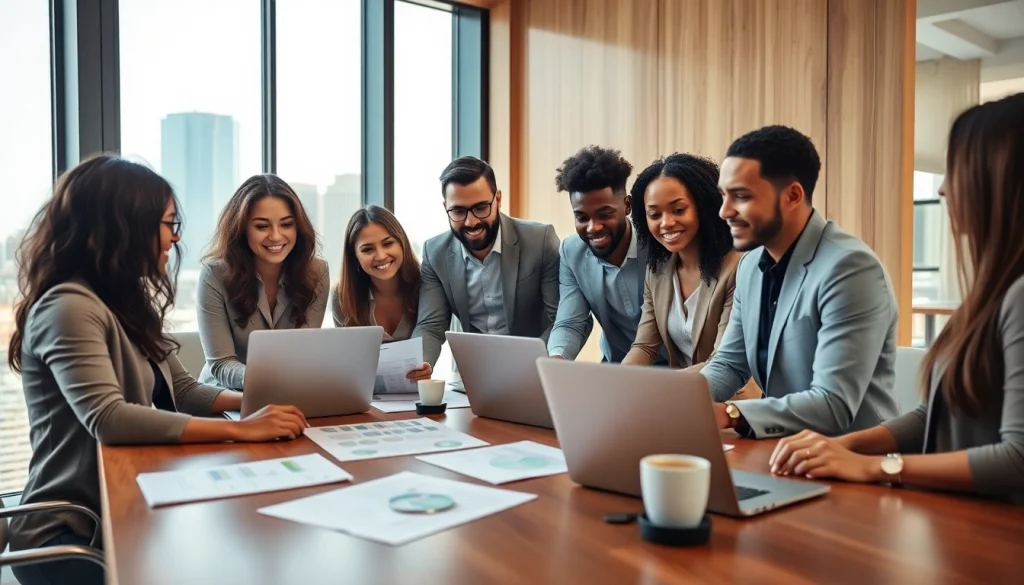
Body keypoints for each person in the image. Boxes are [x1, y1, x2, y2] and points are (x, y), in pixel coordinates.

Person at [7, 155, 308, 585]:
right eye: (168, 223)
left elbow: (182, 390)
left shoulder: (125, 302)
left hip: (125, 509)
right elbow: (109, 418)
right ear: (125, 226)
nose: (174, 237)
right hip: (70, 536)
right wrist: (242, 429)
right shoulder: (68, 306)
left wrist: (258, 405)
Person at [769, 93, 1024, 501]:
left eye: (954, 170)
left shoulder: (1019, 296)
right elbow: (935, 416)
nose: (942, 189)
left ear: (998, 180)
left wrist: (875, 466)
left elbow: (1018, 460)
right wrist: (848, 446)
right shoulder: (989, 295)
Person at [700, 125, 900, 438]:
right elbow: (729, 364)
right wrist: (679, 398)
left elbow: (833, 403)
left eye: (741, 196)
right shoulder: (751, 265)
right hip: (782, 449)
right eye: (724, 196)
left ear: (793, 195)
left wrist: (732, 413)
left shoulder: (851, 268)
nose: (724, 211)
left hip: (854, 456)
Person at [412, 156, 560, 366]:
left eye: (481, 208)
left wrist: (532, 362)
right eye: (458, 211)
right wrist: (420, 363)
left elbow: (562, 320)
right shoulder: (434, 253)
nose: (471, 222)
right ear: (446, 207)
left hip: (535, 369)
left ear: (498, 199)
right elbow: (430, 325)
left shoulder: (540, 241)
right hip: (475, 374)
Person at [197, 174, 330, 389]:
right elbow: (221, 364)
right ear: (241, 228)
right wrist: (268, 380)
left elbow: (303, 353)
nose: (276, 236)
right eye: (262, 226)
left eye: (287, 224)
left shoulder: (316, 272)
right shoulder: (215, 273)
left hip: (289, 391)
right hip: (226, 395)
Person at [620, 153, 744, 372]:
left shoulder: (739, 267)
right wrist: (616, 381)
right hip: (685, 393)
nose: (666, 223)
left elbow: (724, 361)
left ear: (704, 207)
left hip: (735, 398)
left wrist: (667, 388)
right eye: (655, 214)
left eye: (678, 210)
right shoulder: (657, 269)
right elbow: (645, 347)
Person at [546, 145, 641, 363]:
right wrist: (557, 358)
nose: (593, 227)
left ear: (627, 205)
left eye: (604, 214)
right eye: (581, 217)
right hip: (615, 372)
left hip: (676, 372)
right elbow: (570, 322)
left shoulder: (656, 244)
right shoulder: (572, 252)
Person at [330, 205, 431, 379]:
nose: (381, 255)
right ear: (354, 256)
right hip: (368, 397)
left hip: (418, 392)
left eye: (388, 243)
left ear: (402, 242)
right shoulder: (342, 296)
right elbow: (349, 361)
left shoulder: (426, 285)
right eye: (367, 249)